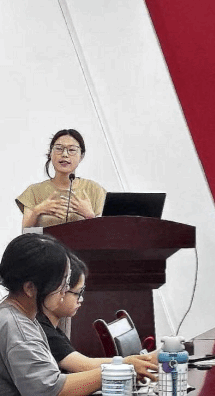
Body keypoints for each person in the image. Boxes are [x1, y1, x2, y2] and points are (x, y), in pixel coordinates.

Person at [0, 233, 102, 395]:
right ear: (30, 288)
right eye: (61, 282)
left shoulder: (17, 316)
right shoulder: (17, 328)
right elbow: (50, 390)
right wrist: (114, 372)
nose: (65, 290)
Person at [37, 252, 157, 380]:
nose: (81, 299)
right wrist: (133, 363)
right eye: (78, 292)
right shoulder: (43, 331)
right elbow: (84, 366)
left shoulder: (53, 328)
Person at [16, 129, 106, 228]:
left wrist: (90, 216)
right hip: (44, 239)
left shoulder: (95, 190)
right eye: (59, 149)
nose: (65, 154)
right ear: (50, 153)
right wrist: (37, 211)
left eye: (72, 150)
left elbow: (106, 232)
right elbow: (26, 233)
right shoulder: (34, 191)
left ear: (81, 156)